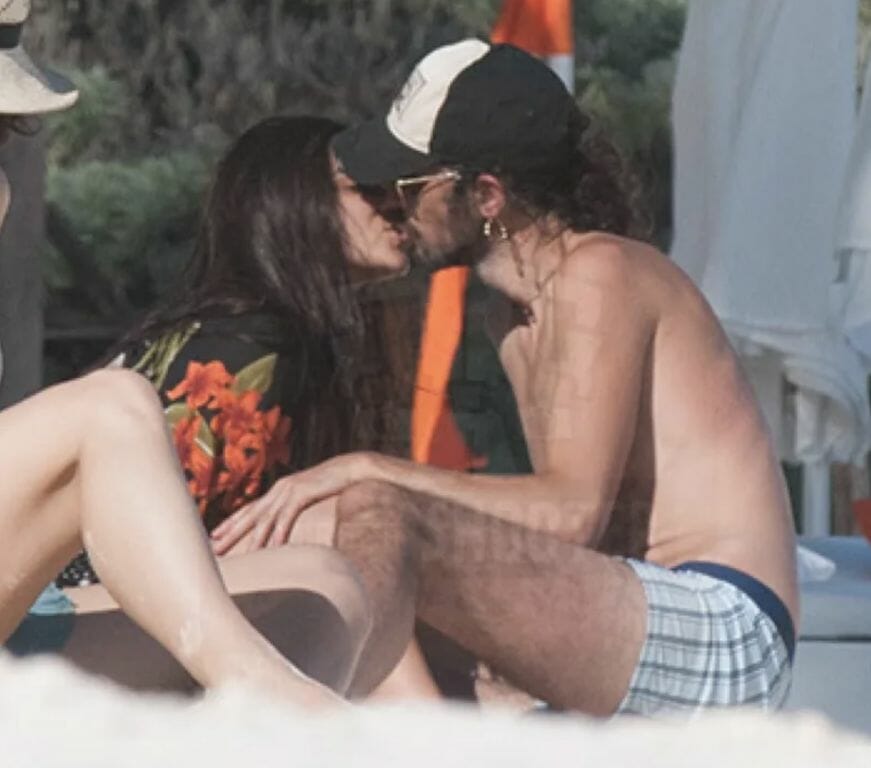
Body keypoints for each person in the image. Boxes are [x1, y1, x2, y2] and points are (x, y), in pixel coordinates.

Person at [212, 39, 799, 714]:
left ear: (486, 194)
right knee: (322, 528)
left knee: (376, 512)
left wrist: (365, 468)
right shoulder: (511, 318)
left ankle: (369, 739)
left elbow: (569, 513)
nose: (392, 206)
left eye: (409, 187)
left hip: (722, 625)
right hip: (630, 608)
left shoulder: (600, 273)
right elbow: (571, 530)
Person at [0, 0, 366, 707]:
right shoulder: (233, 351)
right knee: (109, 409)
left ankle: (253, 727)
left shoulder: (299, 343)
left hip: (30, 610)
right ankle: (265, 694)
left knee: (325, 591)